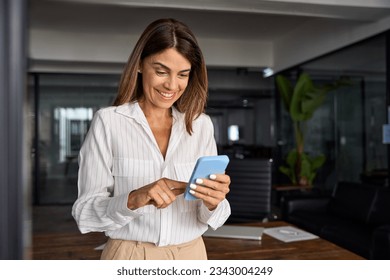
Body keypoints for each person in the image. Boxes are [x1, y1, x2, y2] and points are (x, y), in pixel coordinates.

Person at [72, 18, 231, 260]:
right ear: (139, 66)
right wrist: (134, 199)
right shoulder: (108, 122)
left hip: (192, 254)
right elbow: (84, 213)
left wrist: (213, 202)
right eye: (161, 71)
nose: (172, 85)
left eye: (183, 75)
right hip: (129, 254)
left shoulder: (201, 125)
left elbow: (213, 216)